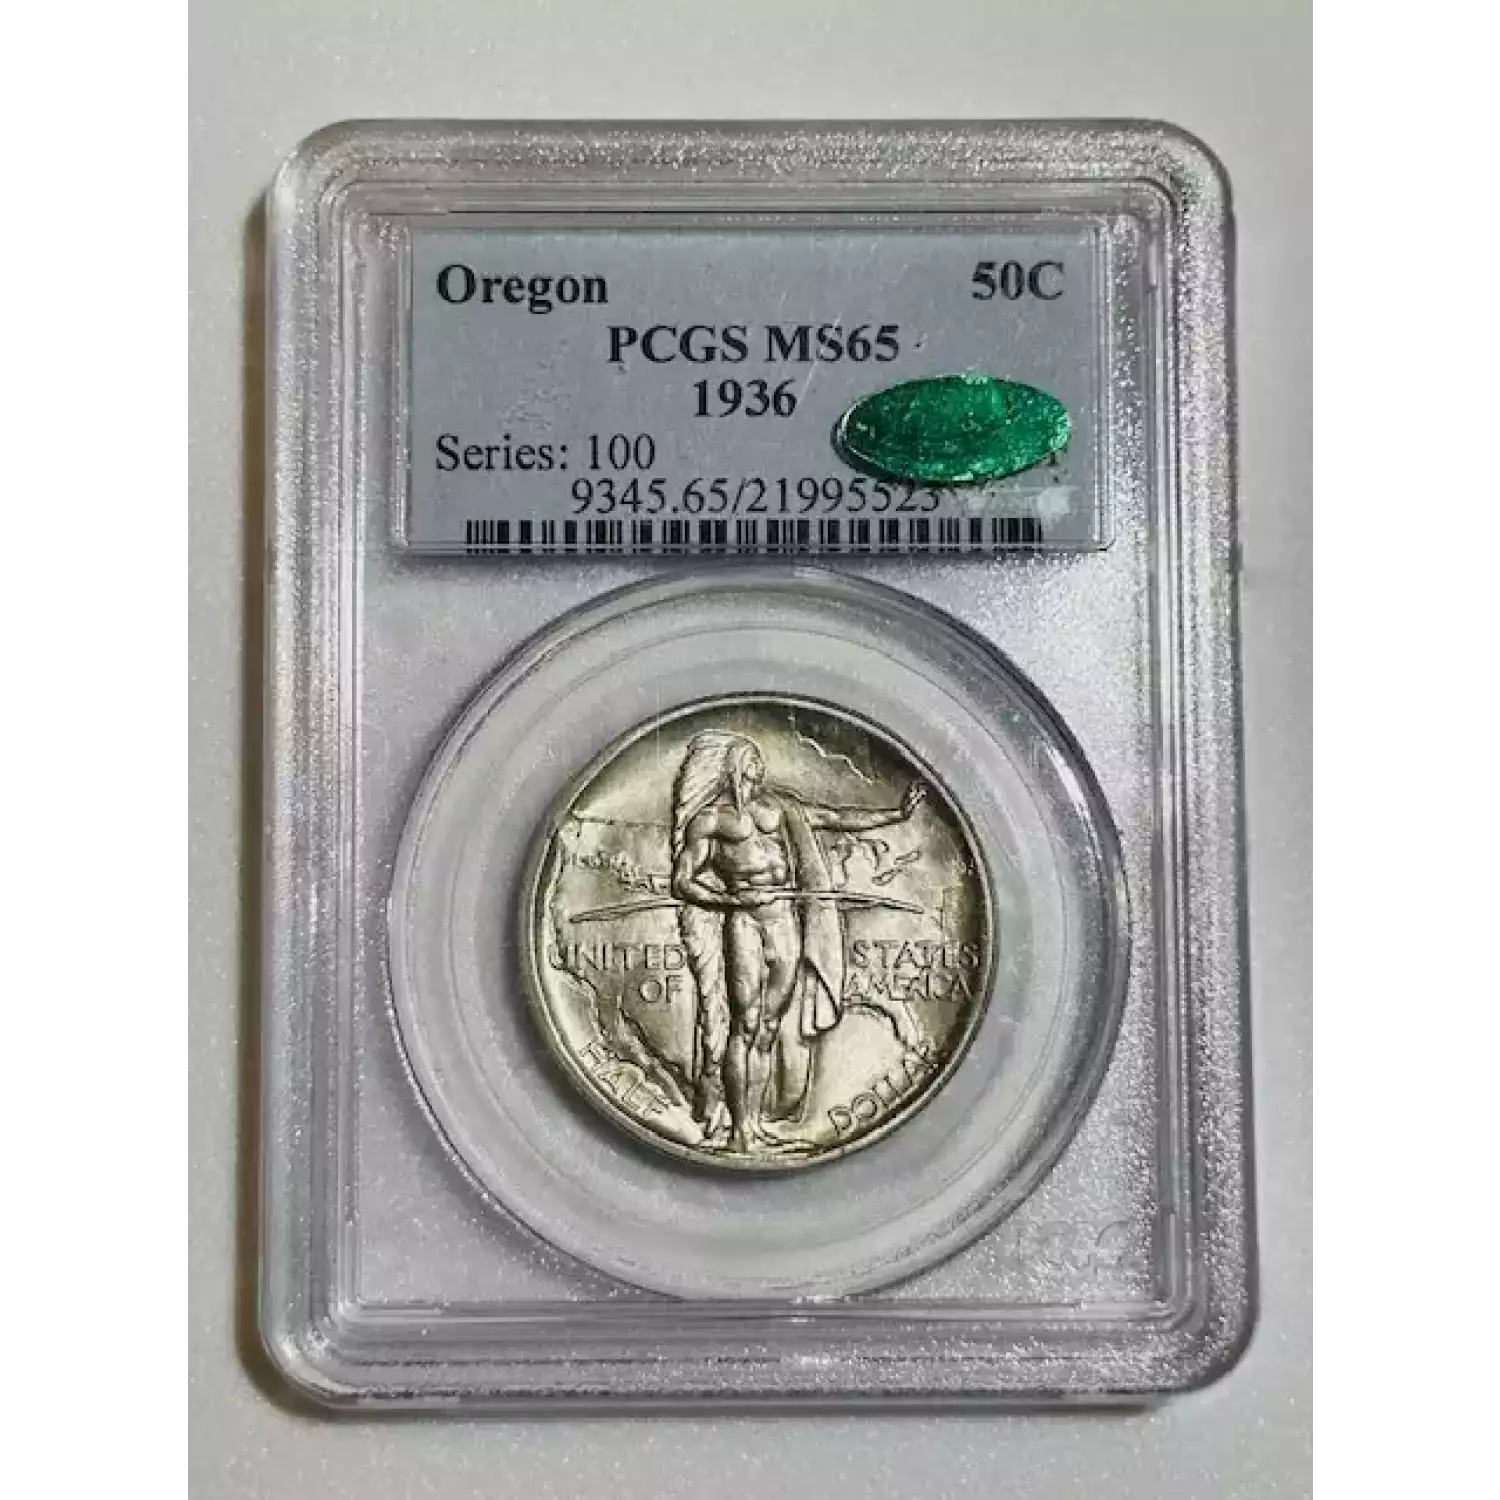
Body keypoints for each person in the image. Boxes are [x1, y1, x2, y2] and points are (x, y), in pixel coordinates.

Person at [669, 730, 924, 1153]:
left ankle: (755, 1127)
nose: (759, 767)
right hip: (745, 922)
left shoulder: (782, 808)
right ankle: (738, 1132)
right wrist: (729, 899)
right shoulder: (710, 821)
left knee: (768, 1027)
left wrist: (895, 815)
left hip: (784, 920)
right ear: (734, 766)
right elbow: (683, 882)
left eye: (759, 760)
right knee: (745, 1023)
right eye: (751, 760)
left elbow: (836, 817)